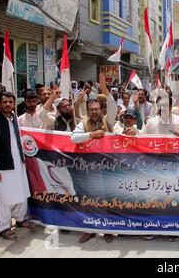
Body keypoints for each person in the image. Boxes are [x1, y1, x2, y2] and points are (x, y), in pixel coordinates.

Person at [71, 75, 117, 244]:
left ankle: (107, 230)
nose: (94, 112)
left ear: (101, 109)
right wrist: (91, 135)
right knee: (87, 199)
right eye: (91, 110)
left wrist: (105, 91)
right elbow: (73, 138)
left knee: (106, 199)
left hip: (106, 167)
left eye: (97, 109)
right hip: (89, 167)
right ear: (88, 111)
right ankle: (89, 229)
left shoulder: (108, 120)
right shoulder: (84, 122)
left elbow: (112, 107)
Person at [0, 92, 36, 240]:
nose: (7, 105)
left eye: (10, 102)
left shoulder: (14, 119)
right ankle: (4, 227)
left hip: (18, 165)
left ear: (14, 103)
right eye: (5, 102)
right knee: (4, 198)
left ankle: (20, 219)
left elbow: (18, 140)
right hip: (3, 168)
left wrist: (23, 159)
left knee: (21, 193)